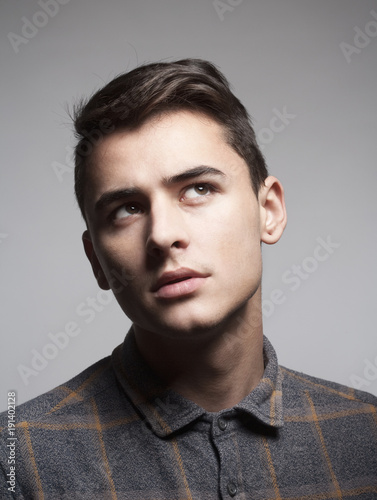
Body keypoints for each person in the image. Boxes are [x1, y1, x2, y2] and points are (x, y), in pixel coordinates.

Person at [1, 59, 376, 499]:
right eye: (126, 209)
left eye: (198, 189)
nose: (162, 235)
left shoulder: (368, 436)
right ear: (96, 260)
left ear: (268, 212)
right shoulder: (17, 461)